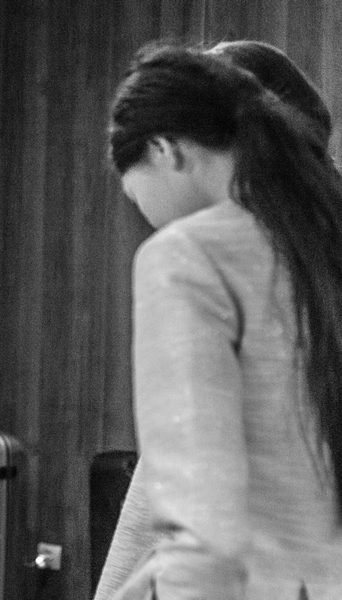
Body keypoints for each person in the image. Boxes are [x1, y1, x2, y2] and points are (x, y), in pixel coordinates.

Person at [93, 39, 337, 600]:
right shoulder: (316, 250)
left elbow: (200, 535)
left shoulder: (192, 256)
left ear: (165, 149)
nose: (142, 212)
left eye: (131, 189)